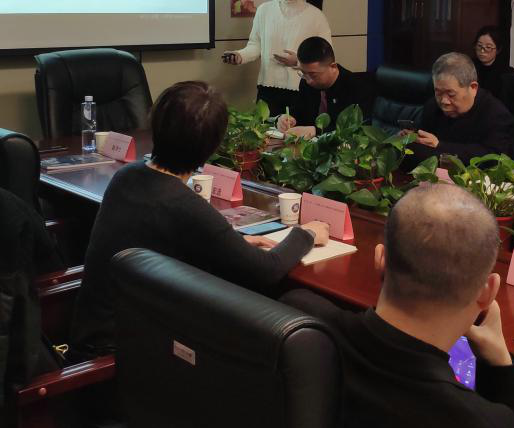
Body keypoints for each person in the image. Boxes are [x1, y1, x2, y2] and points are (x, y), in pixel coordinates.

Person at [71, 81, 330, 357]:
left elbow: (168, 237)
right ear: (212, 146)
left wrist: (234, 244)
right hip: (124, 353)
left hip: (94, 334)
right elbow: (267, 270)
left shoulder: (127, 176)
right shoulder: (182, 203)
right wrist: (307, 233)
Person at [282, 184, 514, 428]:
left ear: (380, 259)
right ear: (487, 292)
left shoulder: (297, 316)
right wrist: (500, 365)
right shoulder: (483, 424)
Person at [222, 0, 331, 112]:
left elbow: (326, 57)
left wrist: (299, 61)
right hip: (268, 88)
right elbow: (255, 45)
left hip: (303, 90)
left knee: (300, 128)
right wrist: (240, 56)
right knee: (266, 127)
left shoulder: (315, 16)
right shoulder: (264, 10)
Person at [410, 53, 514, 162]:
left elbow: (495, 158)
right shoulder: (432, 106)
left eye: (451, 94)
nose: (444, 101)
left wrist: (440, 145)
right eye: (438, 93)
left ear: (473, 88)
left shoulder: (496, 115)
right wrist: (412, 139)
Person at [275, 37, 373, 137]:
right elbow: (298, 112)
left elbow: (358, 130)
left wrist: (316, 131)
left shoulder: (357, 87)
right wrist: (284, 119)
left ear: (333, 67)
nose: (308, 80)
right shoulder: (306, 82)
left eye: (313, 75)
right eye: (303, 73)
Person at [472, 25, 514, 96]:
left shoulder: (507, 73)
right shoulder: (469, 66)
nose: (482, 51)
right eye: (479, 46)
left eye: (488, 47)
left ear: (498, 50)